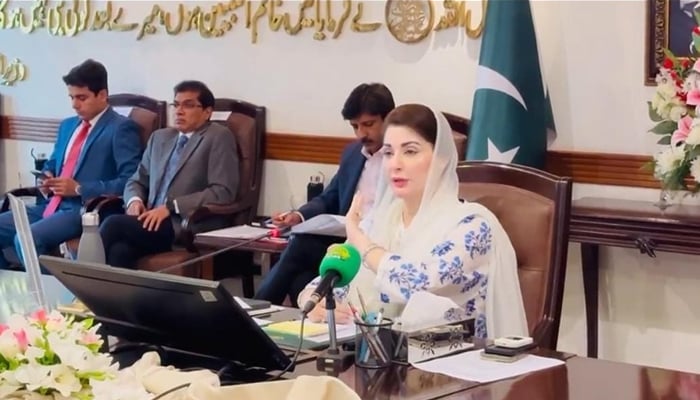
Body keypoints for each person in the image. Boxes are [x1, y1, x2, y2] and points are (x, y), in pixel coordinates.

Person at [298, 104, 528, 339]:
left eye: (410, 151)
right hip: (380, 358)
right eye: (388, 153)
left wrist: (359, 239)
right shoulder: (380, 221)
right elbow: (329, 282)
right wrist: (312, 301)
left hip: (453, 363)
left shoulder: (473, 226)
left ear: (441, 159)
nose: (395, 164)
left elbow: (418, 284)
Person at [254, 83, 395, 306]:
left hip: (380, 243)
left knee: (300, 248)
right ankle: (299, 329)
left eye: (368, 125)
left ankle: (254, 312)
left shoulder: (399, 158)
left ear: (389, 119)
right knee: (299, 276)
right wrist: (298, 216)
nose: (361, 134)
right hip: (344, 240)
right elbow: (329, 197)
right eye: (355, 126)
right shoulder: (352, 154)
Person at [0, 59, 142, 270]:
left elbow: (129, 180)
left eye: (81, 98)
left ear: (102, 95)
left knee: (26, 239)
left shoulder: (121, 128)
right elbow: (54, 162)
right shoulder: (68, 125)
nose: (74, 104)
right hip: (49, 205)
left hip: (82, 210)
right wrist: (46, 175)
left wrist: (78, 189)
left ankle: (58, 295)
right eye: (72, 97)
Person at [99, 80, 239, 268]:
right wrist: (134, 201)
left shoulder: (218, 136)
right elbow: (137, 180)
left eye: (188, 105)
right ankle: (119, 298)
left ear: (207, 112)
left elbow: (222, 191)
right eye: (176, 104)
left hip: (182, 224)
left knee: (112, 224)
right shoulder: (160, 137)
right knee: (119, 252)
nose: (179, 111)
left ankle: (80, 288)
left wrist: (171, 207)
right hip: (148, 221)